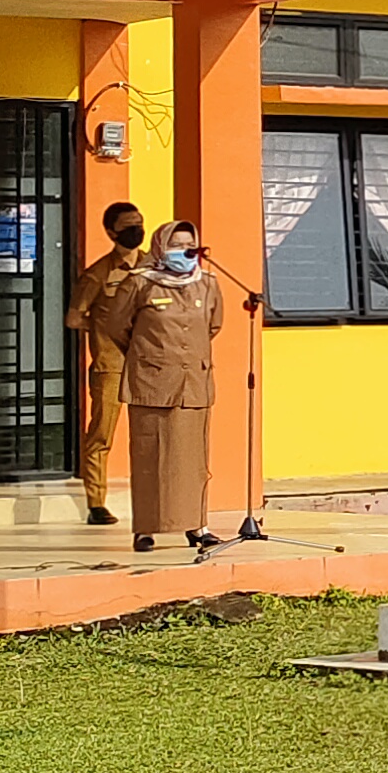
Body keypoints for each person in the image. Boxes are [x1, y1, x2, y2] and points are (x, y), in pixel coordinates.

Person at [91, 218, 228, 561]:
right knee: (150, 456)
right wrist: (149, 355)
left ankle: (197, 526)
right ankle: (146, 528)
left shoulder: (207, 284)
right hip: (152, 383)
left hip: (192, 384)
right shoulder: (140, 284)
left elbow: (213, 325)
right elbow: (116, 327)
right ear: (160, 247)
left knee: (192, 460)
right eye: (176, 244)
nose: (185, 251)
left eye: (189, 244)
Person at [67, 198, 147, 529]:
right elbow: (74, 318)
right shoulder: (98, 274)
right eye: (128, 226)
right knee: (101, 433)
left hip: (147, 362)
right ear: (111, 232)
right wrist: (101, 326)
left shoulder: (152, 266)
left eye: (139, 223)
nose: (136, 230)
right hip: (110, 363)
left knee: (152, 434)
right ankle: (96, 503)